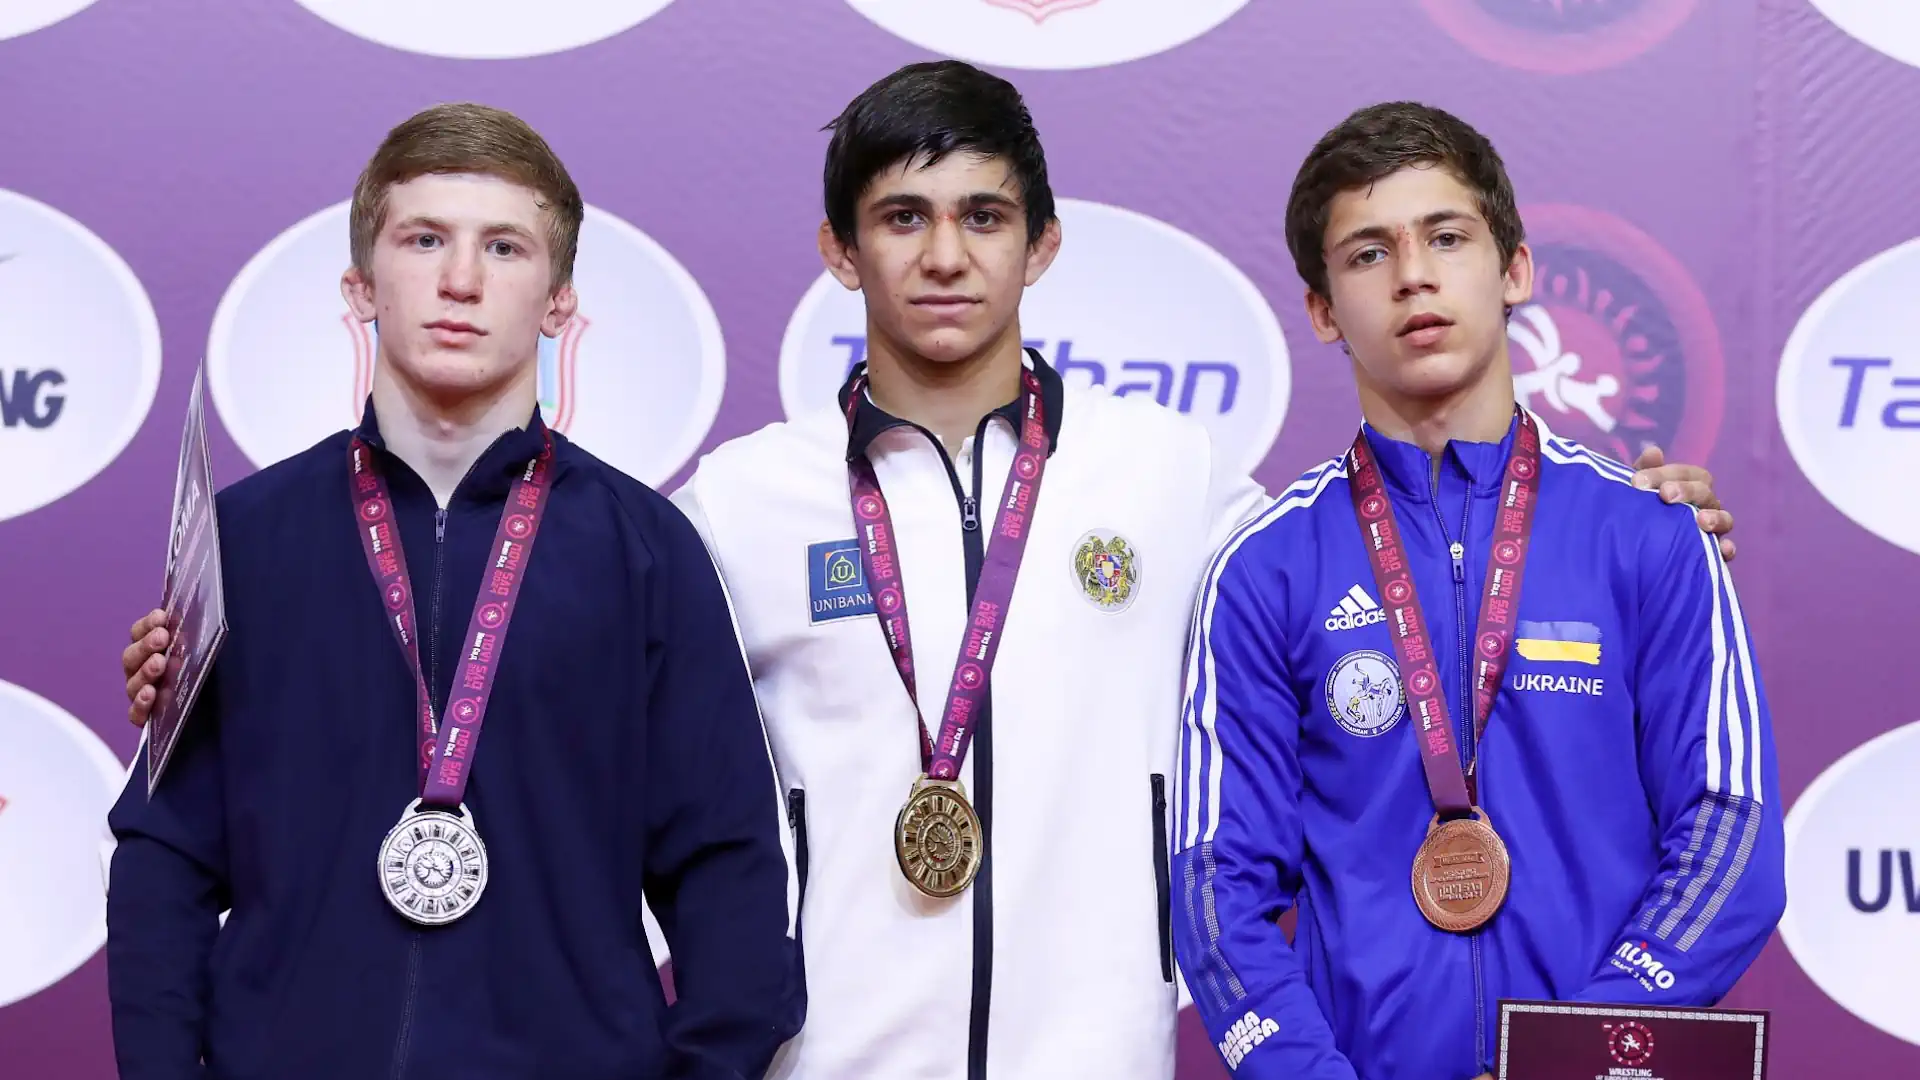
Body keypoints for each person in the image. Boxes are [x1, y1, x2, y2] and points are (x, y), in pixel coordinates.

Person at [121, 67, 1736, 1080]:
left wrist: (1630, 515)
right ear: (842, 250)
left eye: (983, 216)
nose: (945, 254)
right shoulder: (729, 506)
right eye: (901, 216)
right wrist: (207, 663)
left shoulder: (1178, 486)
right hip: (821, 1063)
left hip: (1098, 1059)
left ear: (1044, 246)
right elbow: (546, 715)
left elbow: (1383, 592)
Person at [105, 102, 802, 1080]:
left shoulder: (645, 548)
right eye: (424, 239)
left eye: (504, 247)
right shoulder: (244, 537)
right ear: (361, 286)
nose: (461, 280)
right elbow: (164, 857)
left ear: (559, 302)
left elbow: (727, 865)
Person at [1171, 101, 1785, 1080]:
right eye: (1368, 253)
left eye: (1447, 238)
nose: (1413, 275)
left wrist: (1574, 1057)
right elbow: (1219, 888)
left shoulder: (1650, 536)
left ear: (1515, 270)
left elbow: (1729, 833)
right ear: (1323, 310)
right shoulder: (1266, 567)